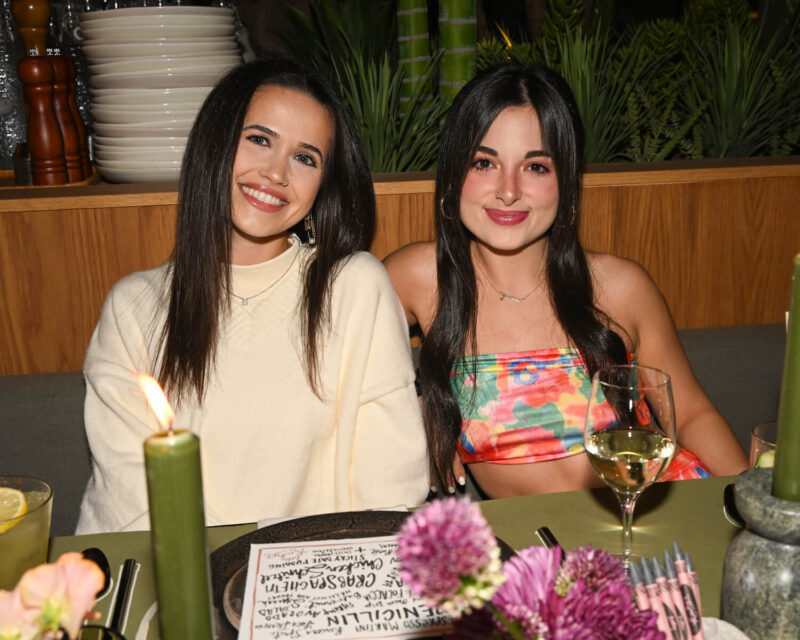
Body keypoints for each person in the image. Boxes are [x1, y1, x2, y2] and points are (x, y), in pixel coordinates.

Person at [77, 57, 428, 534]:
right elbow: (130, 499)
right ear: (216, 144)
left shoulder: (354, 288)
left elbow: (391, 484)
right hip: (176, 568)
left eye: (305, 158)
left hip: (318, 568)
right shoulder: (134, 309)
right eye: (260, 139)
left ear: (323, 185)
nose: (276, 173)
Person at [385, 64, 748, 498]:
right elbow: (336, 375)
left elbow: (690, 415)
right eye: (484, 163)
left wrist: (755, 510)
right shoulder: (419, 278)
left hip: (656, 512)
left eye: (536, 167)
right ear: (452, 175)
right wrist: (416, 409)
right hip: (537, 537)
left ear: (567, 181)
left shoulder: (620, 286)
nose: (508, 191)